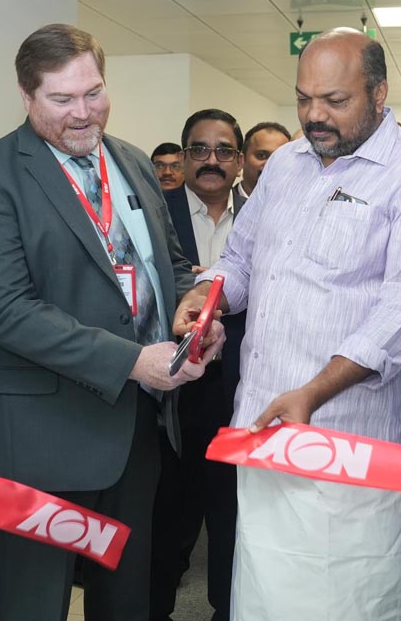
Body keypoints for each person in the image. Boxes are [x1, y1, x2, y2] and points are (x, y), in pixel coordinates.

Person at [173, 27, 401, 620]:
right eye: (304, 98)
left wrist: (312, 392)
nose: (314, 115)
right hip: (263, 427)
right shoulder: (285, 162)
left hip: (348, 438)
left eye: (335, 100)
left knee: (348, 597)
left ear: (380, 95)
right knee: (266, 592)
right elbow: (241, 261)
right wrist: (209, 297)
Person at [0, 23, 221, 621]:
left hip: (137, 429)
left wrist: (191, 306)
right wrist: (131, 360)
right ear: (25, 97)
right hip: (40, 436)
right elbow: (7, 311)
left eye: (92, 92)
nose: (82, 113)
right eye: (61, 99)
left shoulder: (131, 161)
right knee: (34, 604)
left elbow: (167, 262)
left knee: (126, 599)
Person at [150, 108, 249, 621]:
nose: (212, 160)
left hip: (235, 395)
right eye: (200, 149)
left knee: (230, 520)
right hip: (167, 391)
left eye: (224, 150)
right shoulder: (151, 213)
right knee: (167, 520)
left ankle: (222, 611)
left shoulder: (259, 216)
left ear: (237, 159)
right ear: (184, 156)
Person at [238, 121, 291, 197]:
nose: (271, 164)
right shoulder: (221, 204)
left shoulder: (297, 205)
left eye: (280, 157)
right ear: (242, 160)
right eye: (262, 155)